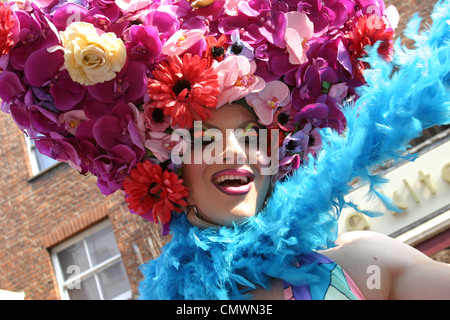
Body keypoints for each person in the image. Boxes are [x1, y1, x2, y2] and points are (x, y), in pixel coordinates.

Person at [0, 0, 449, 300]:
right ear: (166, 170)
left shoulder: (363, 263)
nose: (235, 151)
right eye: (205, 137)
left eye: (254, 134)